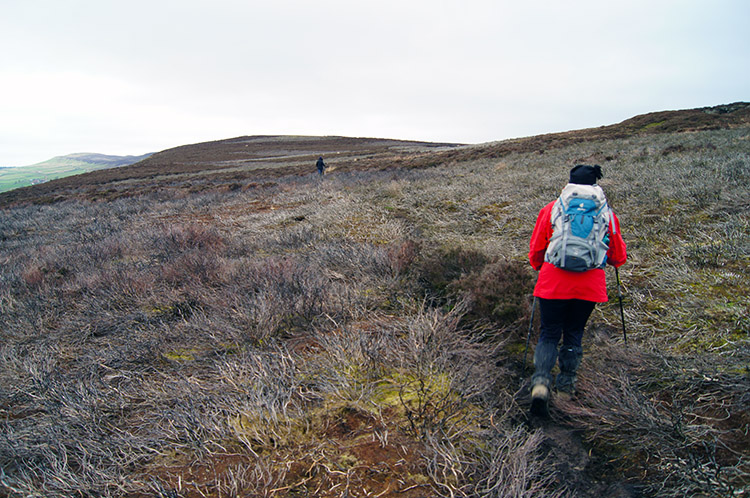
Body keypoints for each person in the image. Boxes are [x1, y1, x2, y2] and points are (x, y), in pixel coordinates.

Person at [527, 164, 627, 415]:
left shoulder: (552, 209)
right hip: (589, 286)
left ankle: (540, 383)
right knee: (574, 333)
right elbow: (618, 256)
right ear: (595, 184)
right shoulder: (607, 214)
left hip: (553, 282)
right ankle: (566, 388)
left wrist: (540, 266)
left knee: (549, 332)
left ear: (569, 183)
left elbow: (537, 250)